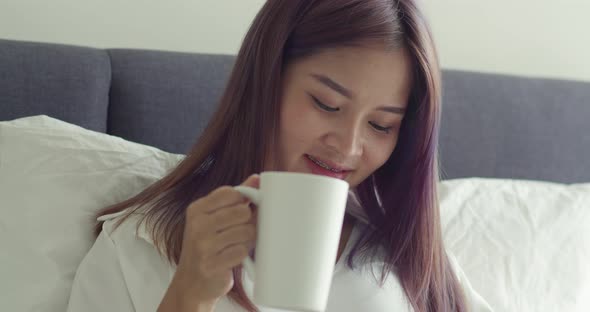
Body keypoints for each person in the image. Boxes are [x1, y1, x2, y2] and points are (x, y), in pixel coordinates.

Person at [67, 0, 494, 311]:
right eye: (326, 103)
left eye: (381, 125)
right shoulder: (139, 243)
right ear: (264, 83)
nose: (347, 147)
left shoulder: (406, 255)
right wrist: (189, 295)